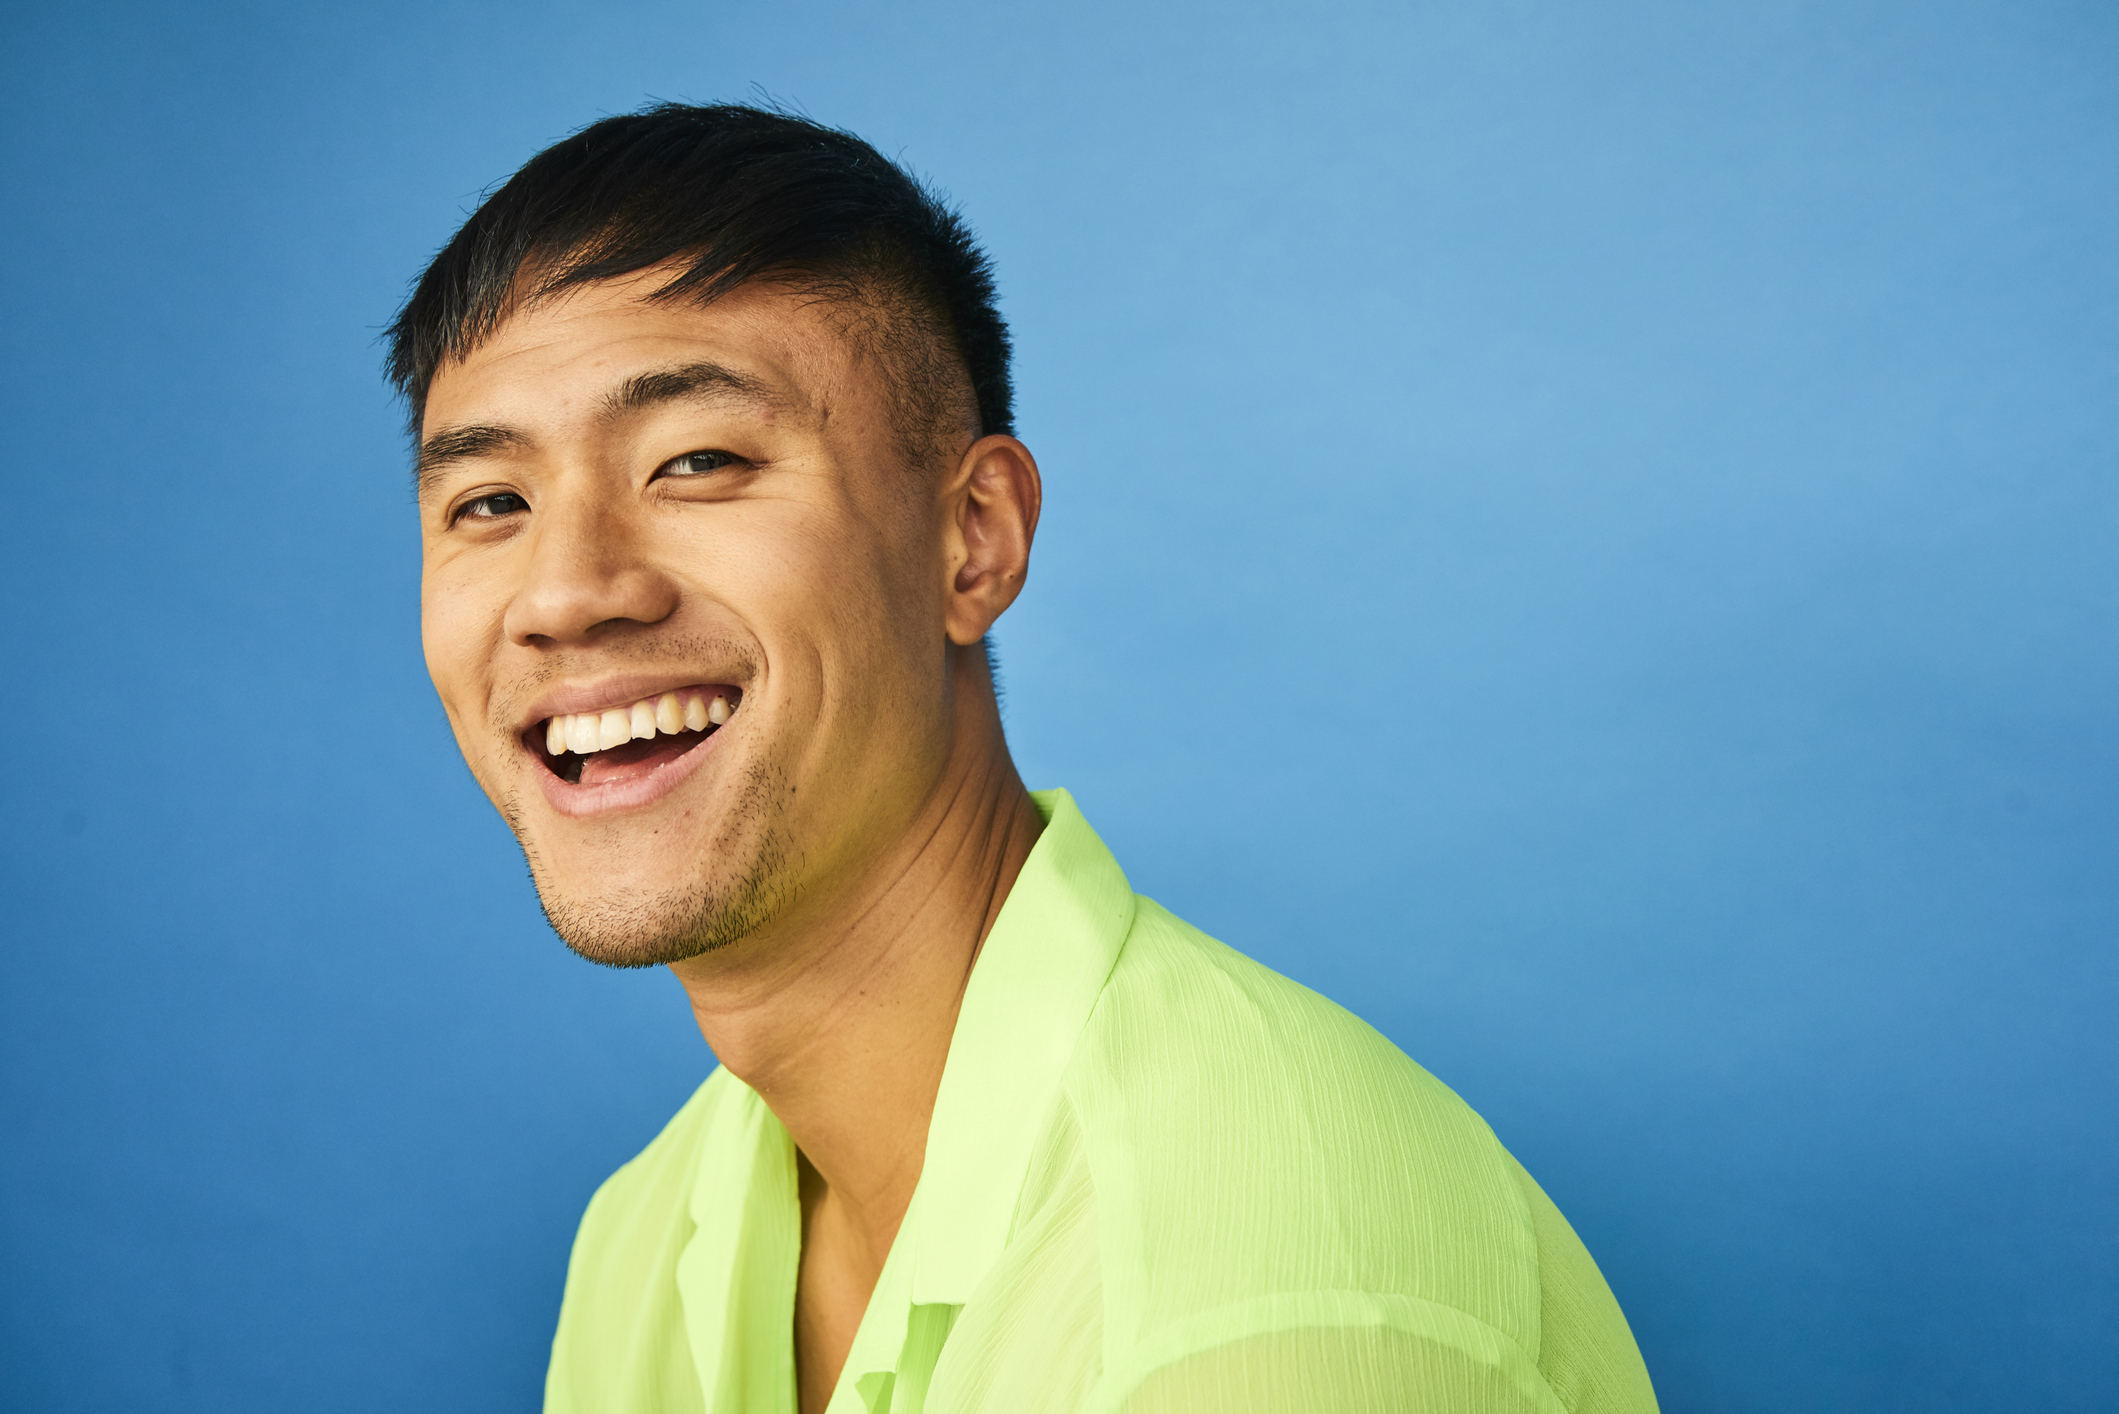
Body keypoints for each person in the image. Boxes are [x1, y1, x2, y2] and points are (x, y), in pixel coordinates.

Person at [389, 102, 1659, 1414]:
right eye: (490, 502)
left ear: (974, 537)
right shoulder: (648, 1239)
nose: (567, 589)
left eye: (698, 460)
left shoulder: (1254, 1309)